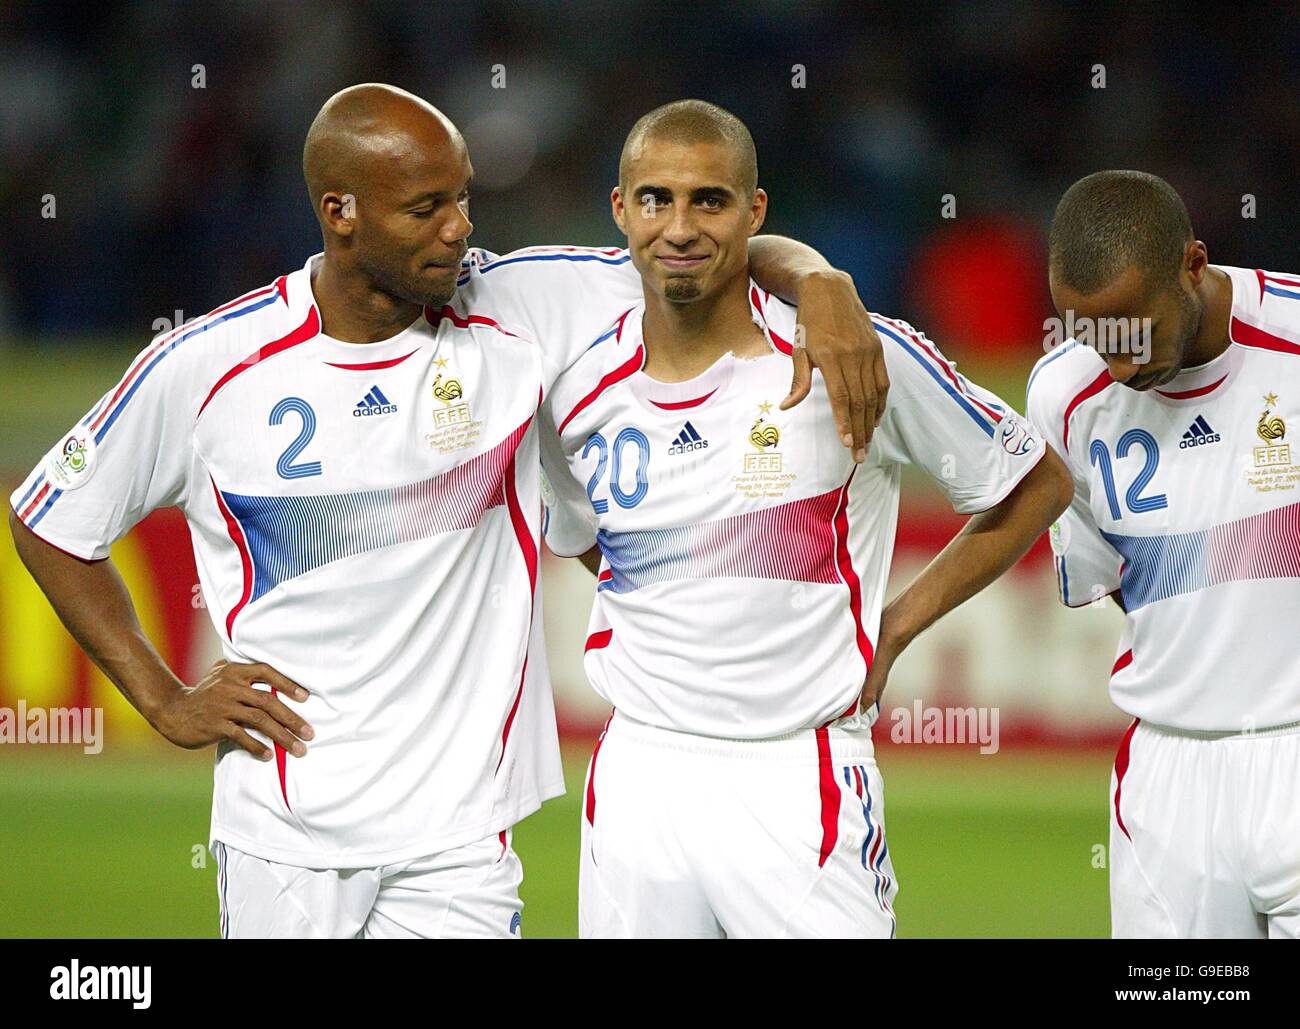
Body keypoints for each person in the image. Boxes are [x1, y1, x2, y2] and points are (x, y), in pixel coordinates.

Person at [8, 84, 887, 938]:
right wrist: (163, 699)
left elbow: (693, 244)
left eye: (463, 198)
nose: (460, 228)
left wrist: (819, 279)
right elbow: (48, 518)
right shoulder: (211, 366)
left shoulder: (514, 306)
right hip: (286, 832)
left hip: (460, 843)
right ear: (340, 211)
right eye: (426, 208)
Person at [541, 100, 1073, 938]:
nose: (679, 227)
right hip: (638, 775)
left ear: (755, 213)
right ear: (620, 209)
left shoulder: (853, 354)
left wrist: (894, 626)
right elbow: (589, 546)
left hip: (798, 775)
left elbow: (1036, 481)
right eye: (655, 199)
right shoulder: (575, 390)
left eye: (709, 200)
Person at [1027, 169, 1300, 939]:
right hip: (1167, 782)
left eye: (1132, 332)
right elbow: (1116, 578)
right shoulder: (1062, 397)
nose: (1115, 365)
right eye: (1089, 337)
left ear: (1193, 264)